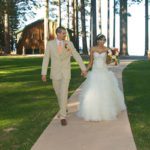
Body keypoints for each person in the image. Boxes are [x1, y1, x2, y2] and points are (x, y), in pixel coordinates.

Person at [41, 26, 87, 126]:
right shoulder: (50, 44)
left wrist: (83, 68)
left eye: (65, 33)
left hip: (66, 73)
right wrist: (43, 73)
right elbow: (46, 59)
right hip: (55, 73)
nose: (65, 35)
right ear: (57, 33)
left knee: (64, 93)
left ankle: (63, 116)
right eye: (63, 33)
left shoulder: (69, 44)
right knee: (58, 93)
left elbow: (76, 55)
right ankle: (63, 107)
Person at [77, 34, 126, 121]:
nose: (102, 42)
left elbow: (108, 62)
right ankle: (92, 112)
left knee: (106, 92)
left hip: (104, 72)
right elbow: (91, 62)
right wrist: (85, 70)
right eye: (100, 40)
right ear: (97, 40)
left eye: (103, 40)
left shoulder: (107, 49)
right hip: (95, 72)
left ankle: (107, 112)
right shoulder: (93, 49)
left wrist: (113, 58)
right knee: (93, 92)